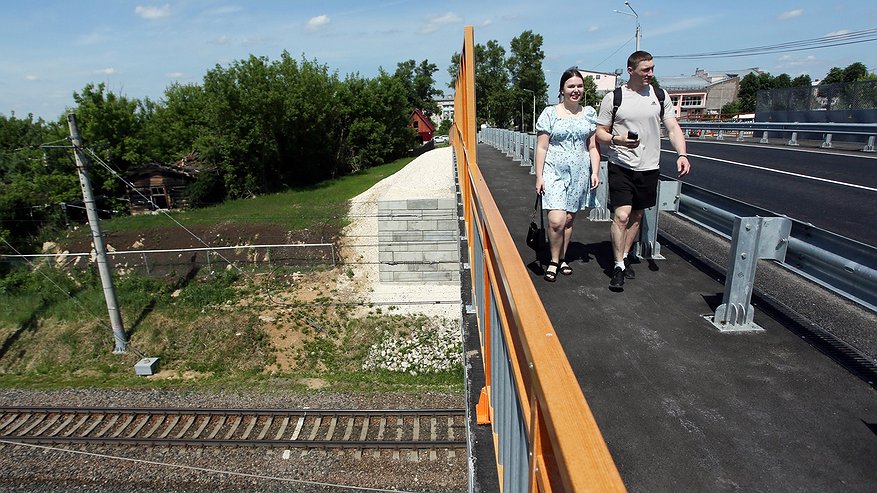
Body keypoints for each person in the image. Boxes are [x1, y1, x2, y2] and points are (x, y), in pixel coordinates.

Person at [595, 50, 690, 290]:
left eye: (652, 68)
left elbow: (673, 127)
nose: (650, 73)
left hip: (649, 167)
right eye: (645, 69)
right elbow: (600, 133)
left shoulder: (660, 95)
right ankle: (617, 266)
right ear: (631, 70)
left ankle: (625, 256)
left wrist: (682, 154)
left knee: (637, 216)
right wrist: (619, 140)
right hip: (621, 165)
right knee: (622, 216)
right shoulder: (614, 98)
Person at [534, 68, 601, 282]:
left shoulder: (589, 113)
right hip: (554, 170)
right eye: (571, 86)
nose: (576, 90)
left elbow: (592, 147)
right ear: (562, 89)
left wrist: (596, 171)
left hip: (580, 172)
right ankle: (553, 260)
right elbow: (542, 147)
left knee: (569, 218)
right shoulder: (550, 113)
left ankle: (563, 257)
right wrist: (539, 176)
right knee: (556, 220)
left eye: (579, 86)